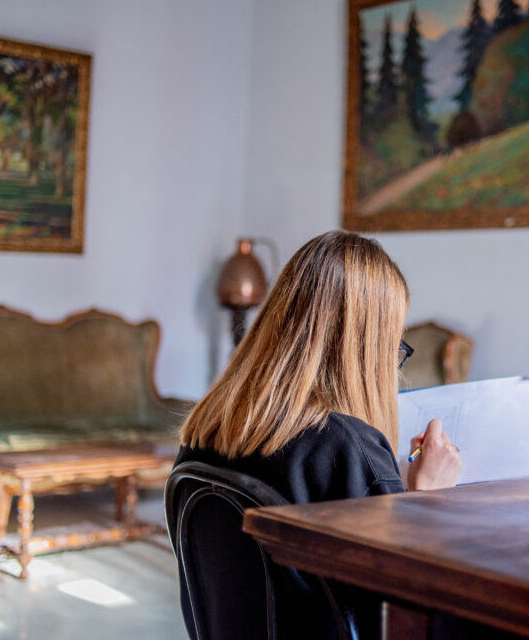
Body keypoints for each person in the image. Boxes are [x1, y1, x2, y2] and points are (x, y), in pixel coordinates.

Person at [173, 229, 461, 637]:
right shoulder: (349, 447)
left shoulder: (207, 430)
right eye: (393, 345)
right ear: (365, 348)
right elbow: (403, 615)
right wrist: (430, 500)